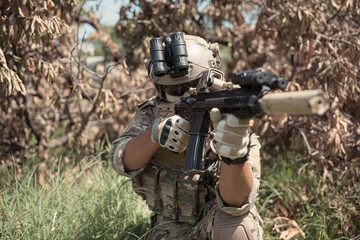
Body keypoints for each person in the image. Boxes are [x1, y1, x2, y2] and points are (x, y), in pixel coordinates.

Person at [111, 33, 263, 240]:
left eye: (191, 85)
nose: (185, 94)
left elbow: (237, 203)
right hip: (170, 224)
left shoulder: (231, 113)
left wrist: (234, 152)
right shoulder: (152, 112)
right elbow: (120, 161)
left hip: (216, 216)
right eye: (173, 90)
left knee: (237, 229)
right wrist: (154, 134)